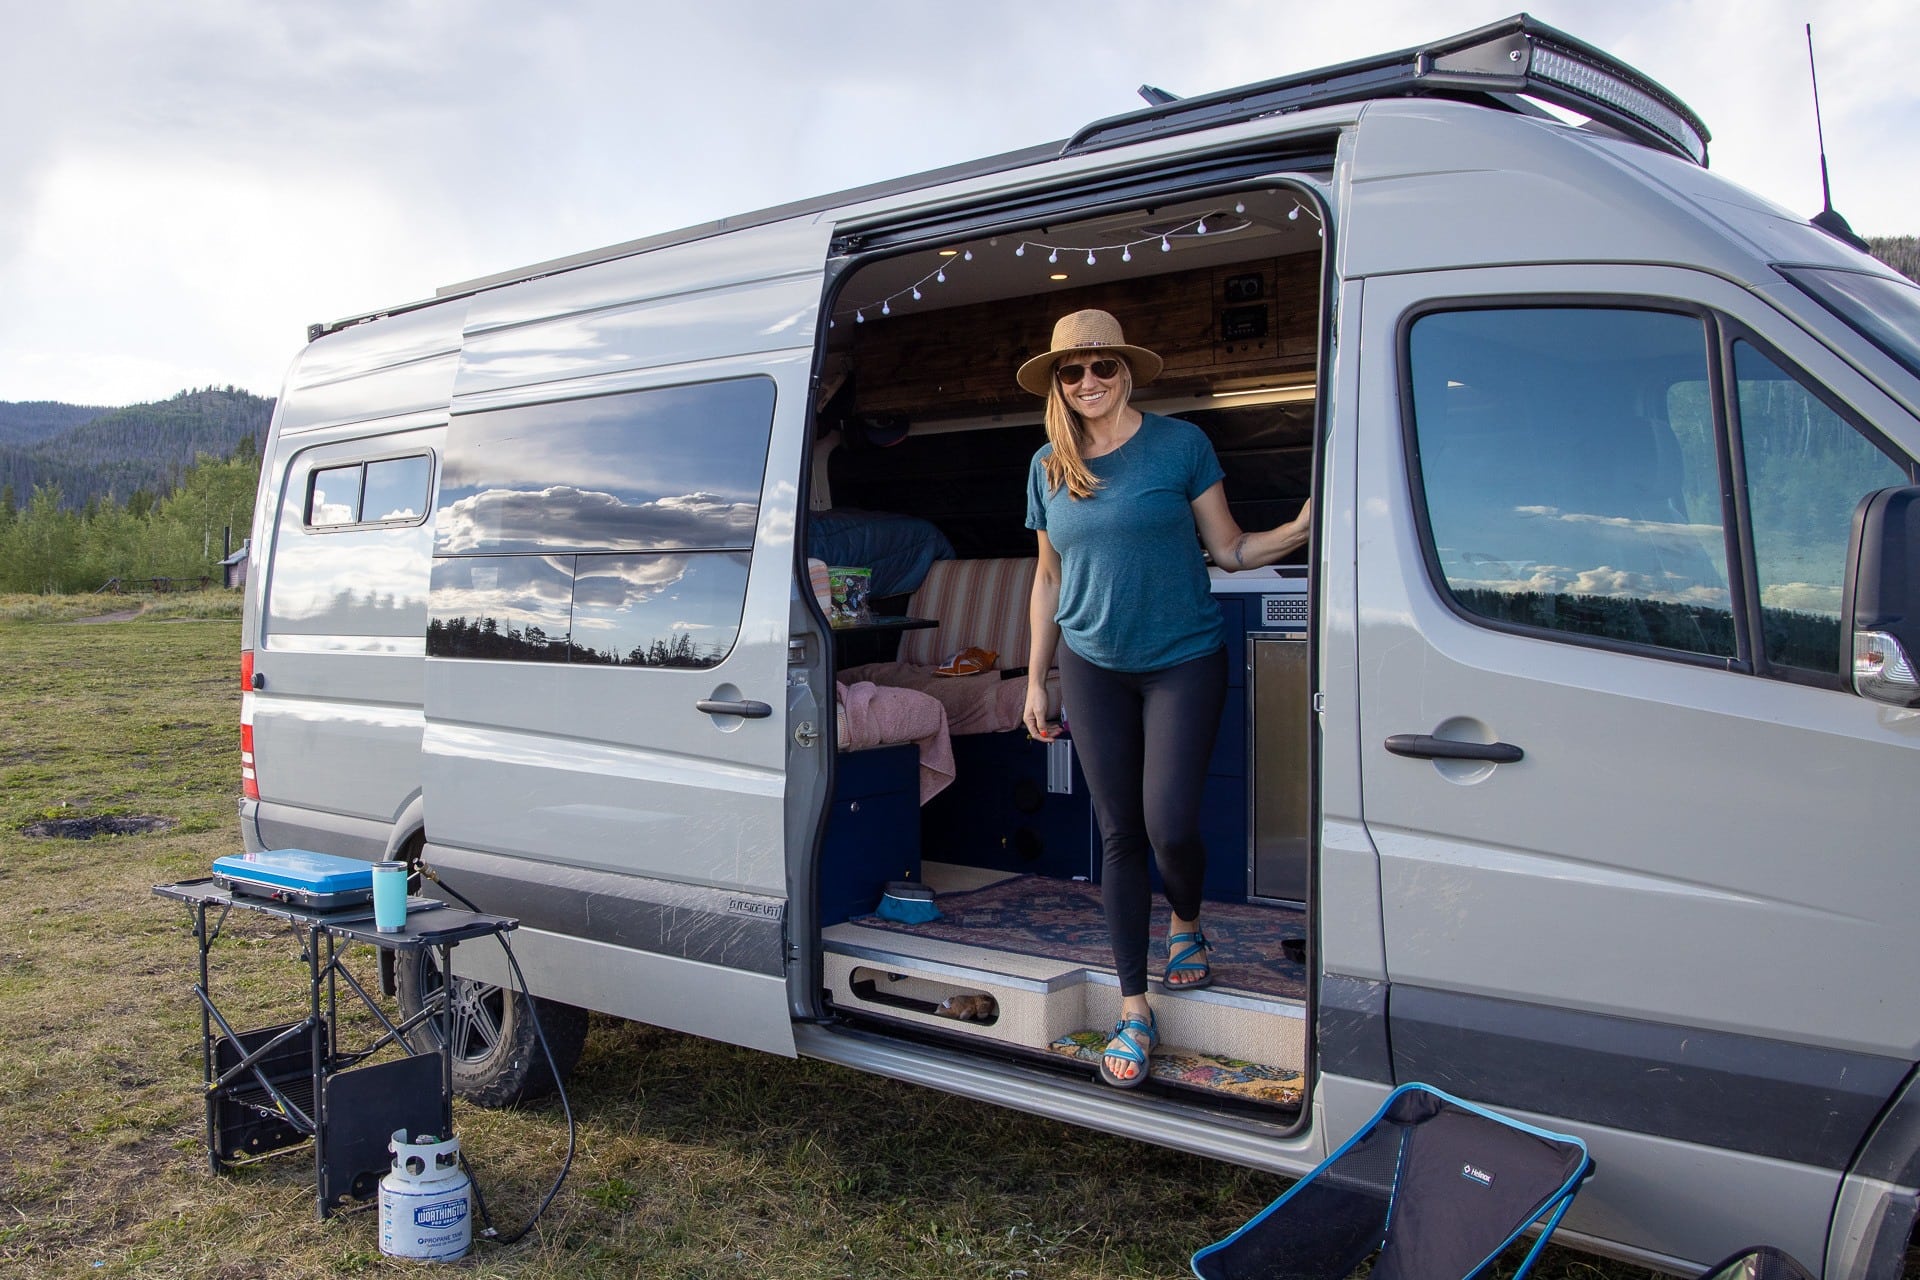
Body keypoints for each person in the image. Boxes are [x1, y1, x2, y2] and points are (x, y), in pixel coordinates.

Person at [1018, 309, 1311, 1089]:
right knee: (1119, 834)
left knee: (1169, 824)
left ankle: (1187, 923)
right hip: (1092, 663)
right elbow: (1047, 578)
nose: (1088, 382)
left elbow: (1230, 549)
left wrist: (1301, 528)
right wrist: (1035, 676)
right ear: (1059, 382)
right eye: (1072, 372)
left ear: (1128, 371)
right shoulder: (1049, 464)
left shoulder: (1181, 445)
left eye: (1102, 367)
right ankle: (1134, 1006)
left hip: (1183, 657)